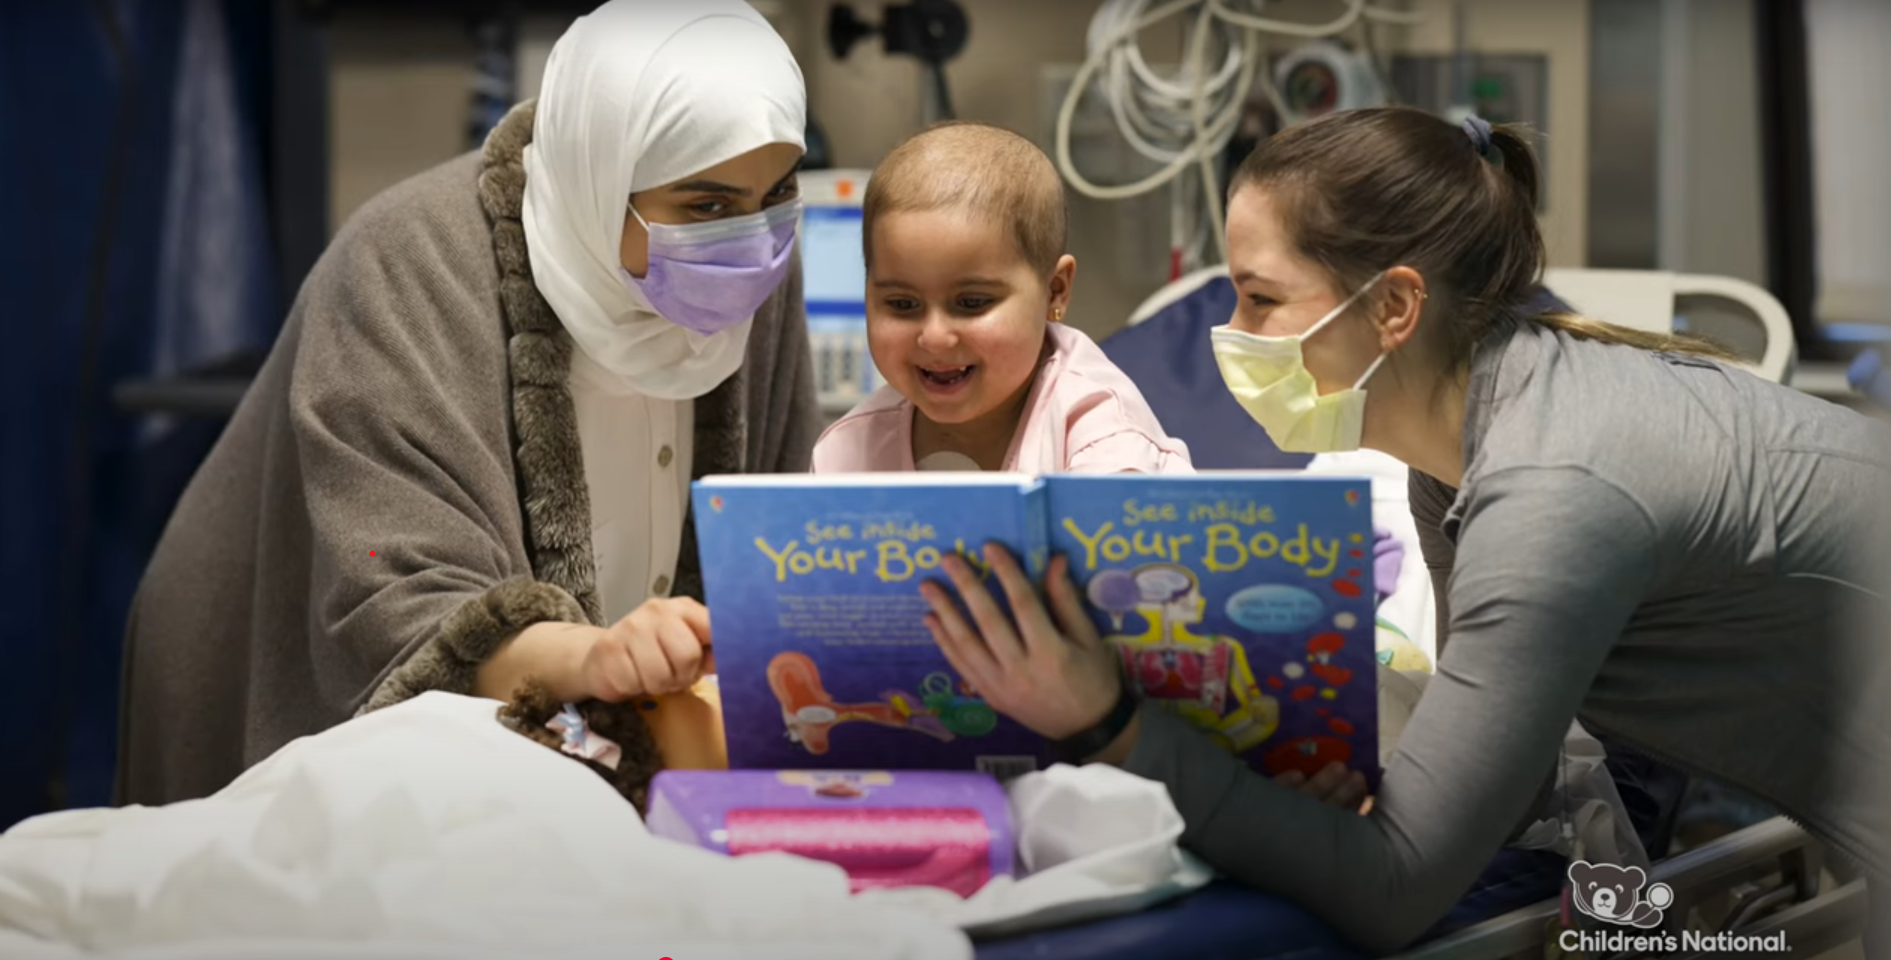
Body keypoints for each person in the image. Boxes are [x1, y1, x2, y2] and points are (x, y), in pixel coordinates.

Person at [918, 106, 1891, 952]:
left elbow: (1393, 892)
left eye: (1258, 297)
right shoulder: (1461, 451)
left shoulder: (1554, 492)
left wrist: (1108, 724)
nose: (1233, 331)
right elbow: (1484, 789)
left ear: (1390, 306)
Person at [116, 0, 818, 806]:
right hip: (304, 697)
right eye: (706, 207)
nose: (752, 241)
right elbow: (395, 602)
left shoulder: (756, 258)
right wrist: (593, 662)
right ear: (599, 179)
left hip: (598, 730)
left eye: (777, 194)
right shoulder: (403, 269)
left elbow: (773, 536)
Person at [811, 121, 1190, 475]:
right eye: (903, 305)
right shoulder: (846, 455)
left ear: (1054, 290)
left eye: (972, 303)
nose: (935, 337)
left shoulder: (1106, 441)